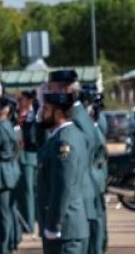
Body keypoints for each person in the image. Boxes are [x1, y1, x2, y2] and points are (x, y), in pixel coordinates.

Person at [45, 70, 103, 254]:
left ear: (66, 89)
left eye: (52, 88)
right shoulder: (77, 114)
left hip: (76, 200)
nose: (48, 90)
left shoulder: (75, 118)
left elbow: (84, 152)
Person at [36, 92, 89, 254]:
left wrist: (53, 224)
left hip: (64, 229)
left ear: (58, 114)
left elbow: (63, 186)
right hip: (67, 226)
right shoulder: (66, 135)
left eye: (46, 109)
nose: (42, 113)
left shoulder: (63, 141)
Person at [0, 97, 20, 254]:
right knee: (8, 212)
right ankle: (9, 242)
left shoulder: (0, 127)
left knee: (2, 215)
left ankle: (3, 247)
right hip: (11, 170)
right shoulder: (11, 126)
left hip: (2, 173)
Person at [16, 90, 40, 238]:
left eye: (22, 100)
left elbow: (33, 137)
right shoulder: (19, 115)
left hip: (30, 156)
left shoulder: (34, 114)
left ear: (29, 100)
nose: (19, 103)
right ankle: (26, 221)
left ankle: (30, 223)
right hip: (22, 156)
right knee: (24, 192)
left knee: (29, 191)